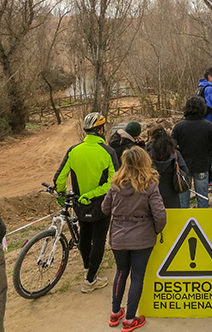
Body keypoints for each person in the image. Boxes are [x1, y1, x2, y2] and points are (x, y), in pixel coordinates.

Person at [102, 146, 166, 332]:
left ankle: (115, 313)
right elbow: (160, 214)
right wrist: (156, 230)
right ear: (144, 161)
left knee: (121, 272)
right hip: (143, 237)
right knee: (137, 276)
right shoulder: (150, 184)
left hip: (118, 236)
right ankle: (130, 319)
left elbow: (105, 209)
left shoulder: (115, 184)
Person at [54, 112, 118, 293]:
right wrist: (93, 193)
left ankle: (86, 268)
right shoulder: (108, 151)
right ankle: (90, 280)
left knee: (84, 235)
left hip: (79, 203)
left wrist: (61, 193)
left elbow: (59, 177)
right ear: (101, 130)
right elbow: (114, 181)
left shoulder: (74, 150)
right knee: (98, 240)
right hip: (101, 203)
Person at [171, 97, 212, 208]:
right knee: (203, 199)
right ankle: (203, 223)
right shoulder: (207, 126)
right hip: (202, 164)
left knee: (183, 202)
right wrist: (210, 151)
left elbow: (171, 146)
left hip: (184, 166)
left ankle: (183, 223)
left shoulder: (179, 126)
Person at [146, 125, 189, 208]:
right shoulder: (175, 154)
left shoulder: (147, 155)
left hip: (152, 192)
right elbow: (185, 170)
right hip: (172, 192)